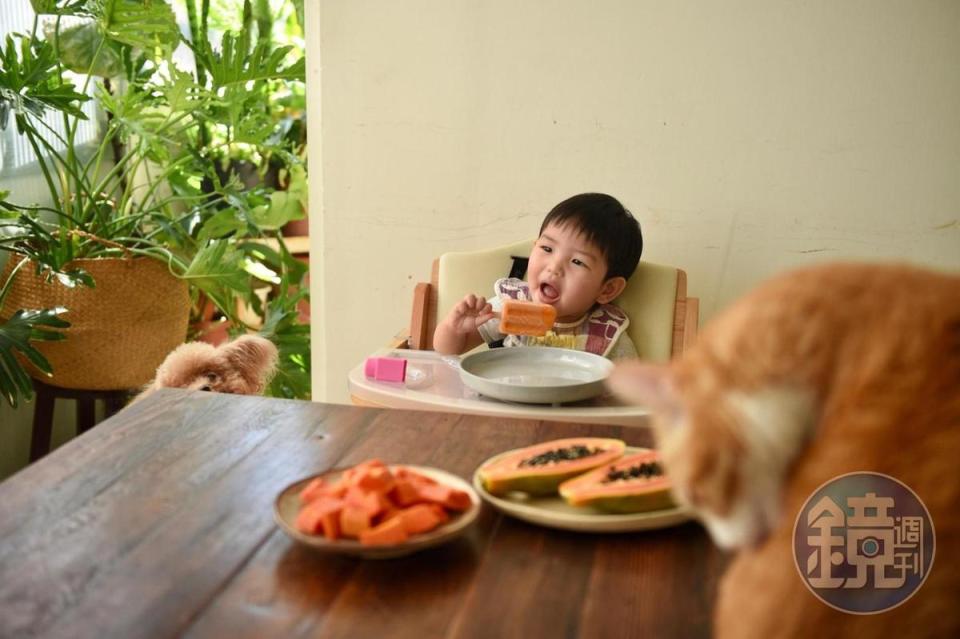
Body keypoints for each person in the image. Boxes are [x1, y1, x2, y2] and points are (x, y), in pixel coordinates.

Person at [433, 193, 642, 359]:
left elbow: (629, 395)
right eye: (547, 248)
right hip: (508, 404)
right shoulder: (508, 306)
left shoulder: (607, 335)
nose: (554, 267)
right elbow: (447, 350)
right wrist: (455, 329)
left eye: (577, 261)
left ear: (607, 289)